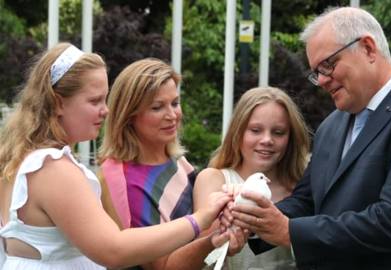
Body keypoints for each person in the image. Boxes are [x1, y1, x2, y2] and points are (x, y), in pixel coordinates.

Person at [221, 7, 391, 270]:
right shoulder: (333, 124)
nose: (323, 80)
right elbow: (307, 201)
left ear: (369, 49)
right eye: (317, 72)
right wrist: (251, 216)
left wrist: (288, 230)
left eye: (328, 65)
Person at [0, 43, 231, 270]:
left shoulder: (24, 159)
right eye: (94, 101)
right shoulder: (53, 168)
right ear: (59, 103)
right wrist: (199, 219)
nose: (106, 110)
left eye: (105, 99)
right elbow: (114, 250)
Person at [96, 58, 247, 270]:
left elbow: (200, 229)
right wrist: (213, 242)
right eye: (157, 107)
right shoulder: (125, 181)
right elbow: (164, 266)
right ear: (129, 115)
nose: (172, 115)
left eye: (175, 103)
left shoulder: (178, 163)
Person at [194, 86, 310, 269]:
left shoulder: (302, 190)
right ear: (238, 132)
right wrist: (235, 203)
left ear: (291, 138)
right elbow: (204, 252)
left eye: (278, 132)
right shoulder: (214, 180)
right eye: (255, 130)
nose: (266, 140)